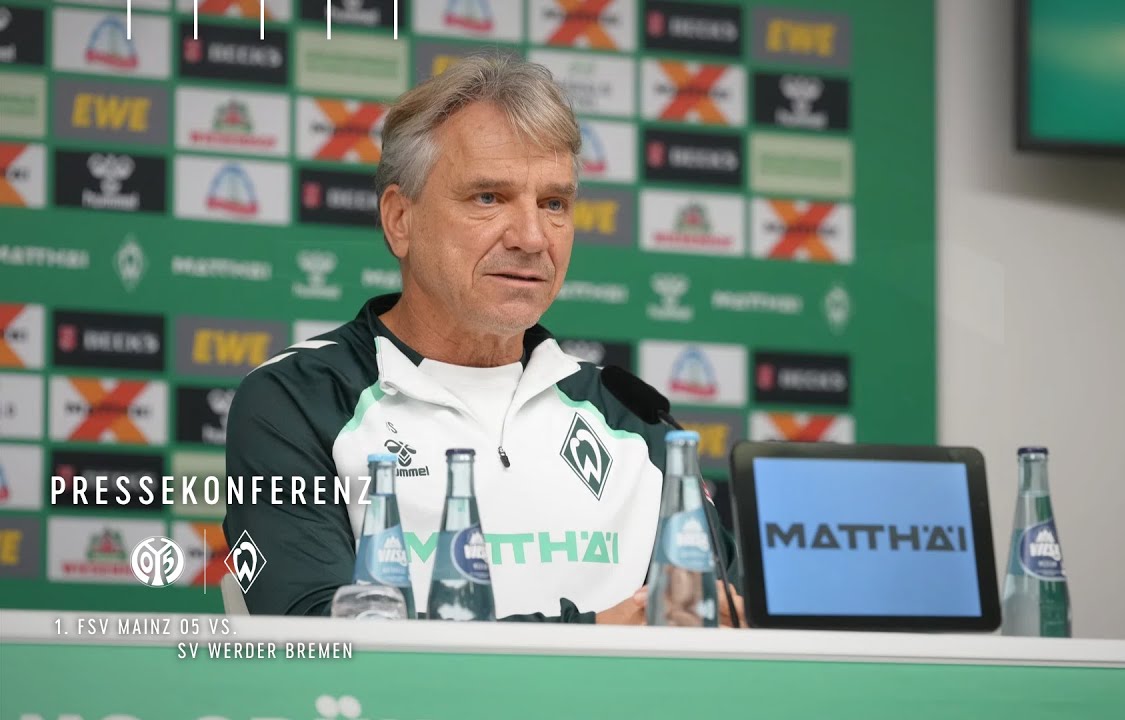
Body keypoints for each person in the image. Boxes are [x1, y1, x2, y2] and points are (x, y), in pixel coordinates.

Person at [222, 54, 744, 625]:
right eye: (488, 198)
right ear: (400, 219)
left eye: (554, 204)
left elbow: (728, 628)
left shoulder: (634, 419)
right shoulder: (298, 400)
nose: (531, 237)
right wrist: (595, 633)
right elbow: (311, 640)